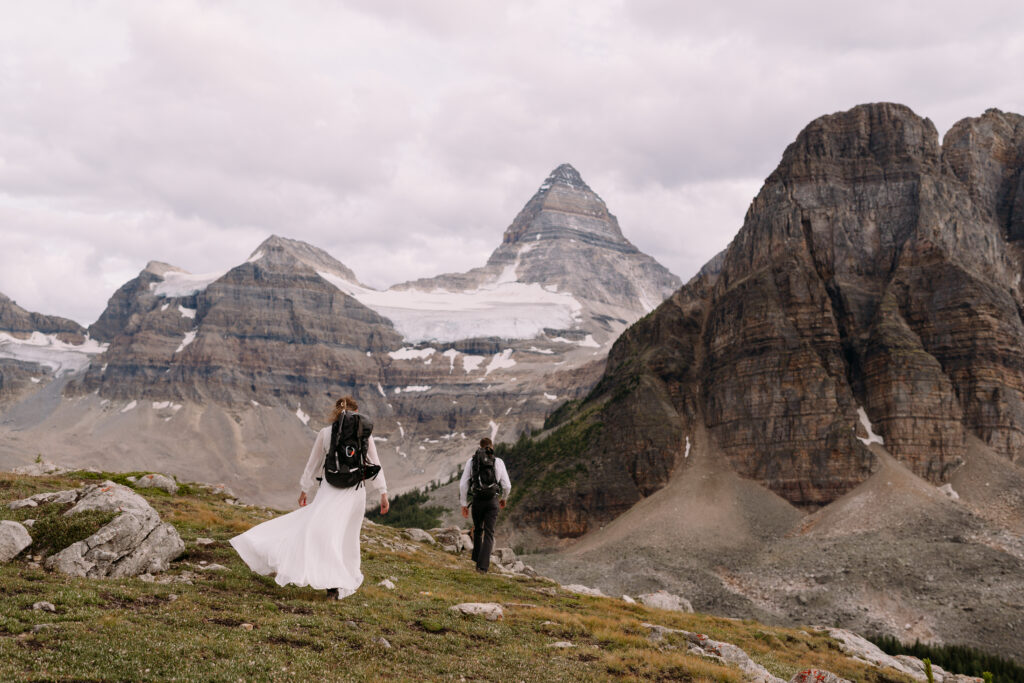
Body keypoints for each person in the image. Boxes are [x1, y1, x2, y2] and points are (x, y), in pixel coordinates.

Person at [230, 396, 389, 599]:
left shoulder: (325, 433)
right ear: (356, 413)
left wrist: (305, 489)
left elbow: (313, 464)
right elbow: (375, 464)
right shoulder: (363, 434)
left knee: (317, 531)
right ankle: (337, 581)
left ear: (336, 413)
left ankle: (326, 580)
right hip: (354, 492)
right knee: (346, 537)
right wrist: (383, 492)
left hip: (330, 488)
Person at [459, 437, 511, 573]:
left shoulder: (472, 461)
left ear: (480, 446)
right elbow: (507, 486)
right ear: (492, 446)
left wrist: (464, 504)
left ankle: (476, 561)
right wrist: (504, 498)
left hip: (477, 500)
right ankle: (483, 567)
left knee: (477, 530)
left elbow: (463, 484)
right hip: (492, 500)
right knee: (489, 533)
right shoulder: (498, 462)